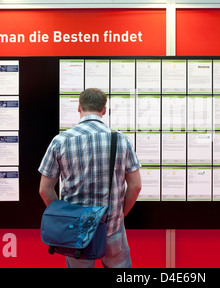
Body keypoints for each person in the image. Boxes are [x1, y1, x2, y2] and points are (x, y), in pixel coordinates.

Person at [38, 88, 142, 268]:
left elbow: (44, 190)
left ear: (79, 108)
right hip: (112, 228)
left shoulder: (60, 141)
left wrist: (64, 217)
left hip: (76, 230)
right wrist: (119, 215)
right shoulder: (121, 140)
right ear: (104, 110)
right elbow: (136, 186)